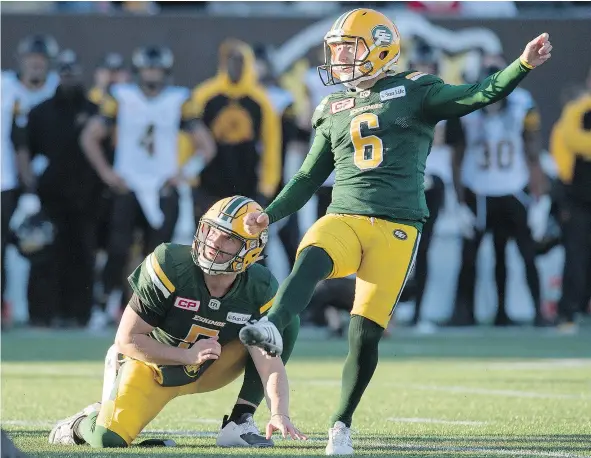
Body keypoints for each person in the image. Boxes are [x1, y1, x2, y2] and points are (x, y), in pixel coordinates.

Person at [237, 8, 552, 455]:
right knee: (312, 257)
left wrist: (521, 65)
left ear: (380, 47)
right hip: (344, 215)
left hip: (396, 227)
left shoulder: (416, 89)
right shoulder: (331, 107)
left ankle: (340, 424)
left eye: (349, 48)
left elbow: (477, 94)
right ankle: (271, 325)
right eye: (337, 49)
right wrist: (271, 213)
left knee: (364, 333)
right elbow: (308, 177)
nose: (340, 57)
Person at [48, 196, 306, 448]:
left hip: (211, 364)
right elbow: (126, 339)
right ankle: (81, 422)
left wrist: (279, 413)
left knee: (283, 321)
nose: (214, 241)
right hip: (153, 363)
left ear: (251, 249)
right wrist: (186, 355)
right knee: (108, 439)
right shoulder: (170, 264)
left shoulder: (259, 287)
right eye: (211, 230)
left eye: (229, 238)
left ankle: (240, 421)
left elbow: (269, 364)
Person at [81, 45, 215, 322]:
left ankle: (152, 311)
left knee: (158, 255)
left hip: (162, 188)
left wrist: (184, 173)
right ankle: (105, 304)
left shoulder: (178, 99)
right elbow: (89, 136)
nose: (152, 74)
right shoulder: (121, 97)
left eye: (156, 69)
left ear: (165, 72)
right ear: (139, 71)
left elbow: (206, 147)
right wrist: (106, 173)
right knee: (117, 249)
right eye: (147, 68)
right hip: (127, 187)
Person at [448, 56, 550, 327]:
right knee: (469, 257)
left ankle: (535, 313)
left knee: (523, 253)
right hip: (478, 189)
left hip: (513, 188)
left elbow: (533, 151)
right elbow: (456, 156)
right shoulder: (465, 105)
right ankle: (463, 314)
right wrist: (458, 203)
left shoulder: (523, 104)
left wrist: (540, 199)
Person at [21, 50, 102, 327]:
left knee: (82, 256)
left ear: (80, 75)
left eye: (73, 72)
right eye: (64, 72)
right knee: (45, 257)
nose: (69, 77)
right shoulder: (40, 112)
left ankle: (79, 314)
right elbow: (24, 152)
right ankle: (42, 315)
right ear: (59, 74)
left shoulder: (94, 111)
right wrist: (29, 191)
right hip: (49, 199)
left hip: (86, 199)